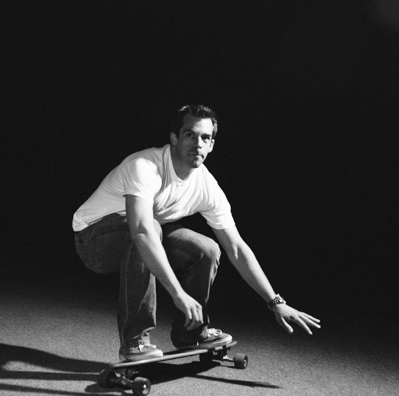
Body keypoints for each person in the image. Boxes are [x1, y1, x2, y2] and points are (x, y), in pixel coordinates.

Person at [72, 104, 320, 361]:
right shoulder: (144, 166)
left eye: (205, 138)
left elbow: (235, 248)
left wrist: (275, 301)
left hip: (146, 234)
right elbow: (142, 233)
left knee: (207, 249)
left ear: (212, 145)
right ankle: (135, 341)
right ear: (174, 138)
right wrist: (178, 294)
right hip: (92, 240)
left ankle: (190, 333)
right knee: (151, 230)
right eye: (190, 135)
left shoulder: (206, 185)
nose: (198, 144)